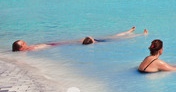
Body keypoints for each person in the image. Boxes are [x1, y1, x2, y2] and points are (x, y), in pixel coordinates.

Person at [12, 27, 144, 52]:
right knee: (114, 38)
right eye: (23, 43)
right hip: (58, 45)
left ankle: (129, 32)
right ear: (21, 48)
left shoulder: (30, 49)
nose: (25, 42)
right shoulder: (30, 50)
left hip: (59, 45)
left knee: (113, 37)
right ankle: (134, 34)